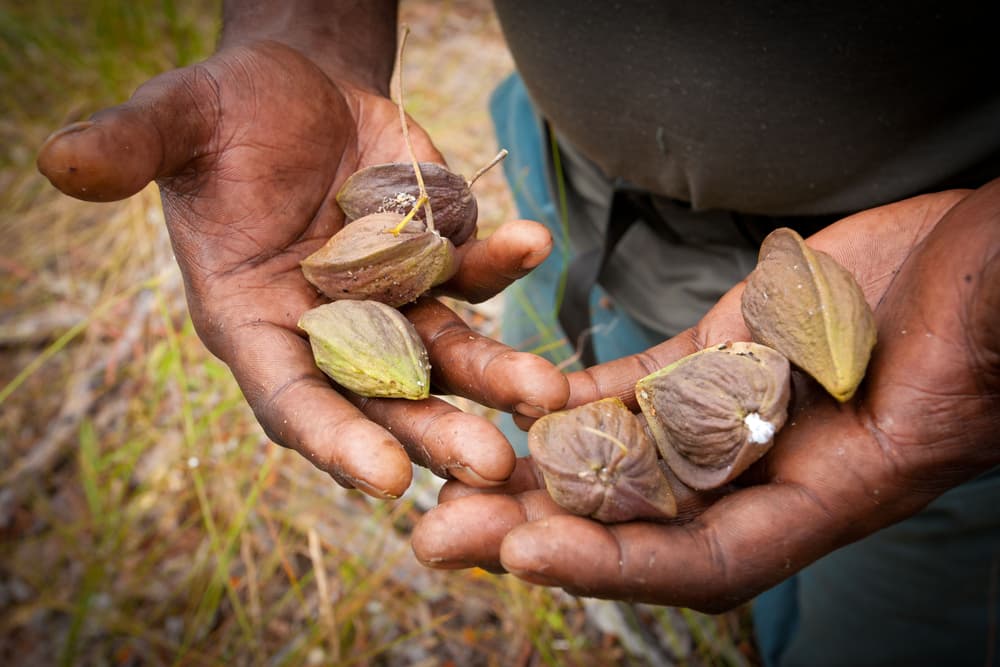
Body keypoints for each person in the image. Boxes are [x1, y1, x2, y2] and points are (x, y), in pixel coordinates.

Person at [36, 2, 1000, 665]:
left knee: (884, 619)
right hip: (568, 183)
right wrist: (308, 30)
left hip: (922, 288)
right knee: (551, 410)